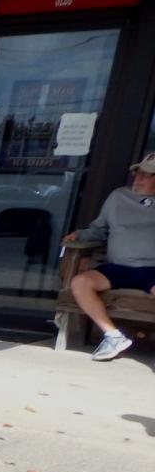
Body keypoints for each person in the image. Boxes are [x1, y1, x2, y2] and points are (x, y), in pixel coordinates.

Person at [62, 153, 155, 362]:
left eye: (146, 175)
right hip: (118, 267)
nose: (137, 179)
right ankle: (113, 336)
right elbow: (98, 229)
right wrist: (80, 235)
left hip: (152, 269)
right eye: (137, 173)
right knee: (81, 282)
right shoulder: (118, 197)